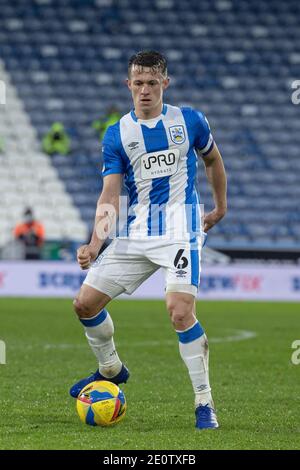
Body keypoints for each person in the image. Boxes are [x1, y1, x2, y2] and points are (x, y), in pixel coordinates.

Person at [70, 51, 227, 429]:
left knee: (179, 310)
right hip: (138, 231)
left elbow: (213, 162)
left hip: (180, 229)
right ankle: (111, 369)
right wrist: (95, 243)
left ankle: (204, 403)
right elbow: (110, 194)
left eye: (152, 83)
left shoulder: (189, 121)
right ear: (129, 85)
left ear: (164, 84)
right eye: (138, 83)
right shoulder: (117, 133)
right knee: (84, 305)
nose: (144, 90)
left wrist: (219, 208)